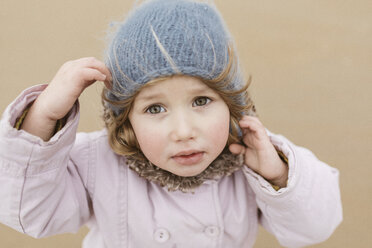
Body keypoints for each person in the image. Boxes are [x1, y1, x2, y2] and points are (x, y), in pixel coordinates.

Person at [0, 0, 342, 247]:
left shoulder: (253, 157)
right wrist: (42, 117)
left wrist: (277, 175)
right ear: (126, 120)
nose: (183, 131)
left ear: (232, 105)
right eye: (154, 109)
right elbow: (28, 214)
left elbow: (315, 227)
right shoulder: (96, 162)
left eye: (201, 101)